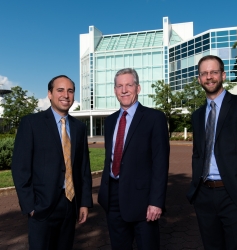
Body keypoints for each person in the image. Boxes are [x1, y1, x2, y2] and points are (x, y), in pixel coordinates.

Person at [12, 75, 93, 250]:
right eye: (60, 90)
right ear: (49, 94)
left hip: (70, 205)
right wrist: (30, 206)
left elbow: (83, 168)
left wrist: (85, 202)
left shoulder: (79, 128)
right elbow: (20, 168)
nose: (66, 95)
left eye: (70, 91)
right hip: (41, 208)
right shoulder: (31, 123)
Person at [98, 68, 169, 250]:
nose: (124, 90)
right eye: (119, 86)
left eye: (129, 85)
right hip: (113, 198)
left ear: (138, 88)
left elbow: (160, 163)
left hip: (143, 201)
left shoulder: (154, 118)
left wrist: (156, 201)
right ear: (114, 90)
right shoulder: (110, 121)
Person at [187, 55, 237, 249]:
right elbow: (198, 154)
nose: (209, 77)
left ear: (223, 75)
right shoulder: (197, 116)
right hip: (204, 196)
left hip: (235, 195)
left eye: (213, 72)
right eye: (204, 73)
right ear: (199, 79)